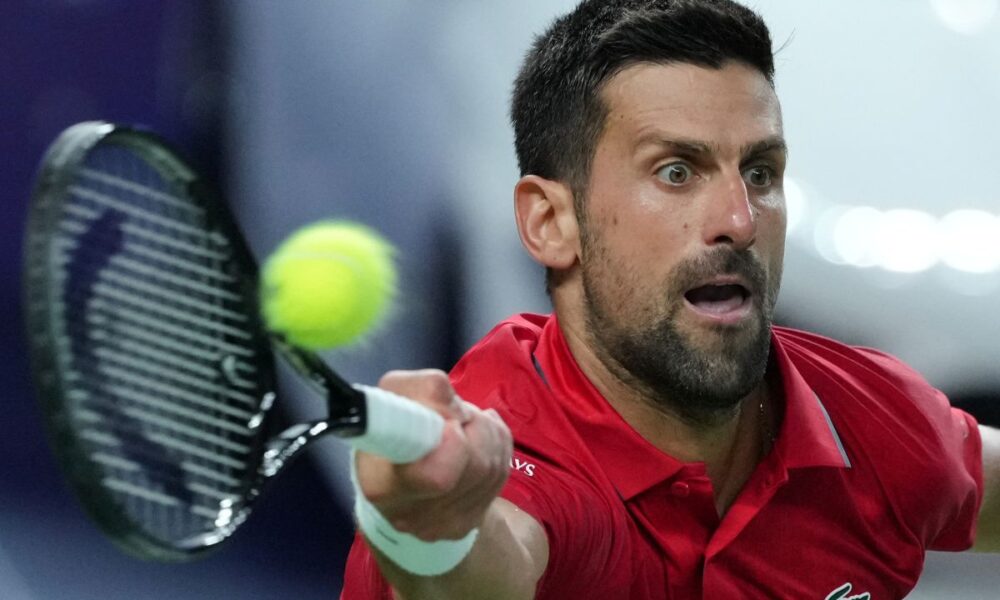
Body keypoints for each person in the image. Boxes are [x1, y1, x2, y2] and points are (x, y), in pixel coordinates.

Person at [341, 0, 1000, 598]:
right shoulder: (517, 453)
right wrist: (431, 532)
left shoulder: (873, 425)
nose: (740, 220)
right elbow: (488, 568)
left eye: (760, 172)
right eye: (676, 172)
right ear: (551, 222)